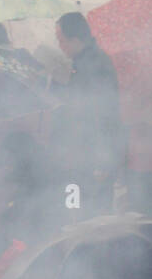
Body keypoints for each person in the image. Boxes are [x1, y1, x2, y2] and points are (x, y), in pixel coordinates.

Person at [52, 12, 124, 219]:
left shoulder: (96, 66)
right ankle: (77, 245)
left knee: (94, 217)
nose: (60, 46)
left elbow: (104, 114)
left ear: (75, 40)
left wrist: (103, 162)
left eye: (61, 40)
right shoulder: (81, 63)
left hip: (92, 160)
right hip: (76, 157)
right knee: (73, 210)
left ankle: (91, 250)